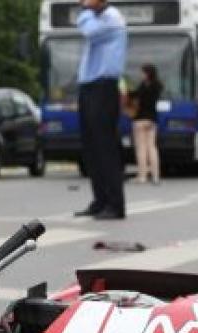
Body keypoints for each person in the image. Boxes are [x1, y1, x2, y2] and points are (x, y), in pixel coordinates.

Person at [73, 0, 127, 220]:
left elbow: (89, 32)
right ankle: (100, 200)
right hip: (89, 87)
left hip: (103, 87)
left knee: (105, 147)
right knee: (91, 147)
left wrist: (85, 10)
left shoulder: (112, 17)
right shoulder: (98, 17)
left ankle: (115, 204)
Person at [129, 64, 162, 184]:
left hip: (140, 119)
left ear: (147, 73)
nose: (140, 75)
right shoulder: (158, 86)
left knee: (141, 148)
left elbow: (134, 95)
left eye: (142, 72)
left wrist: (125, 91)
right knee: (152, 147)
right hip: (152, 119)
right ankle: (155, 175)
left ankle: (142, 176)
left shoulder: (142, 87)